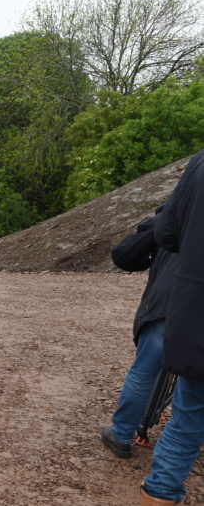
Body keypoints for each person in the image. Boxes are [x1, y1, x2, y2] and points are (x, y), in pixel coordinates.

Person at [140, 149, 204, 504]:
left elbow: (167, 233)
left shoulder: (200, 162)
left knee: (187, 420)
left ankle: (160, 494)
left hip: (197, 313)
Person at [100, 208, 178, 459]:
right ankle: (178, 449)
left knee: (144, 373)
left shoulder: (176, 213)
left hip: (168, 306)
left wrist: (149, 259)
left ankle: (122, 435)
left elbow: (124, 255)